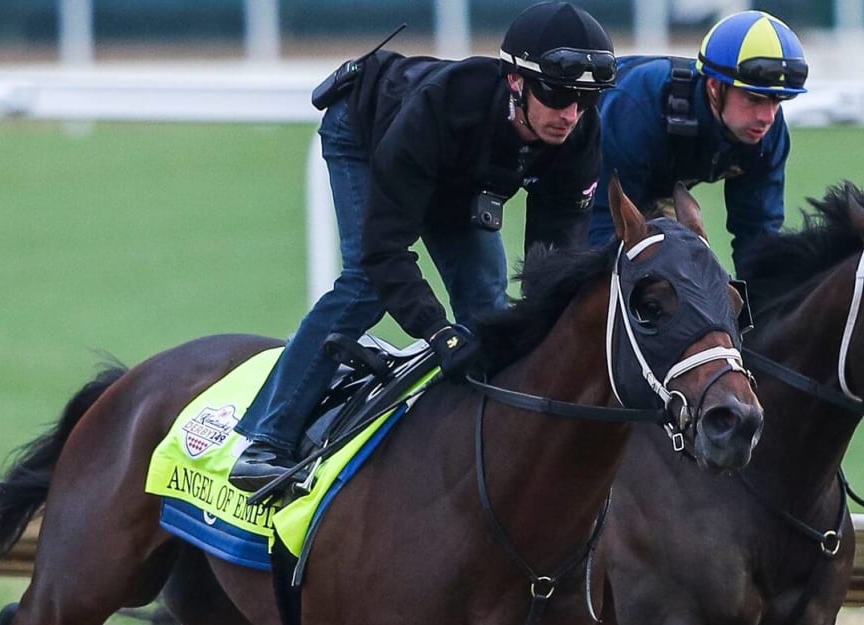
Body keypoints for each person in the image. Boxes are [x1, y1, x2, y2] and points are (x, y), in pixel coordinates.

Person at [227, 1, 615, 494]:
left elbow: (550, 272)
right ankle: (267, 442)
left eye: (586, 99)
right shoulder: (439, 109)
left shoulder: (579, 133)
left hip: (459, 172)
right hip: (367, 131)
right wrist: (436, 332)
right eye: (558, 95)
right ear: (516, 81)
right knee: (366, 287)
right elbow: (383, 252)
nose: (570, 115)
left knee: (487, 307)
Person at [588, 10, 808, 276]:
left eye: (777, 101)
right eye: (754, 99)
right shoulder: (637, 109)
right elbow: (600, 232)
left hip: (653, 185)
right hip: (575, 168)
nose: (767, 117)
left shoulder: (767, 132)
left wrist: (760, 310)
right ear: (715, 86)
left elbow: (758, 236)